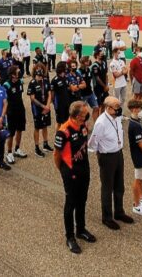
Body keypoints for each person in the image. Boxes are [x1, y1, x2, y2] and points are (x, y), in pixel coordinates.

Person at [53, 101, 95, 254]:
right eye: (85, 114)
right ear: (78, 116)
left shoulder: (83, 125)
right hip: (70, 171)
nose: (87, 116)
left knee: (82, 200)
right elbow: (56, 155)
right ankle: (70, 237)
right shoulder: (63, 131)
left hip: (84, 168)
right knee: (70, 203)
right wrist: (63, 171)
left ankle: (81, 229)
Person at [88, 96, 132, 230]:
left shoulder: (116, 117)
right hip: (107, 156)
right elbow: (93, 142)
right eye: (117, 107)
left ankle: (119, 212)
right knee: (107, 188)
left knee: (120, 185)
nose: (119, 109)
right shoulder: (101, 122)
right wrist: (100, 154)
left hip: (118, 153)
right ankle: (107, 217)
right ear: (108, 108)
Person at [27, 66, 53, 157]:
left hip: (46, 107)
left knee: (45, 125)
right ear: (35, 75)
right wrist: (43, 106)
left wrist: (48, 105)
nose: (40, 77)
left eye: (41, 76)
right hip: (37, 109)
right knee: (37, 127)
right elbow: (32, 98)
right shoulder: (32, 83)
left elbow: (49, 94)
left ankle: (45, 144)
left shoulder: (45, 81)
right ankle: (37, 147)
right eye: (38, 76)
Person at [3, 66, 28, 161]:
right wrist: (4, 114)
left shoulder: (20, 82)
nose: (20, 72)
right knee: (11, 133)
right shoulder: (6, 85)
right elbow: (4, 100)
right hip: (11, 112)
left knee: (20, 129)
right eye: (18, 71)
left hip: (20, 109)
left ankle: (17, 149)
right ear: (13, 74)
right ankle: (9, 152)